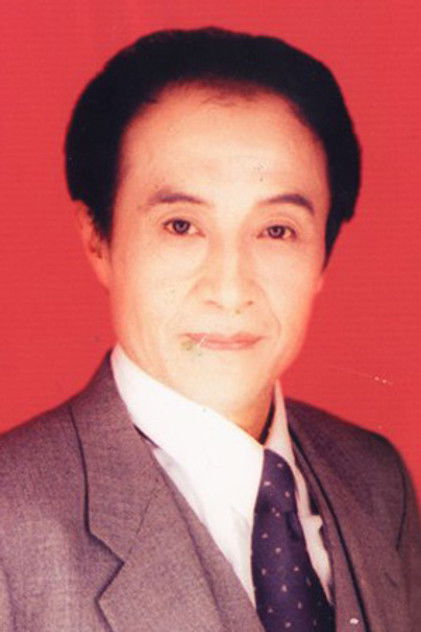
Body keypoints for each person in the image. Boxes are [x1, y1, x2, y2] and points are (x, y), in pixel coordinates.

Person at [0, 26, 419, 632]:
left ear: (323, 255)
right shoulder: (11, 523)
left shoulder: (378, 481)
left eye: (277, 231)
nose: (230, 288)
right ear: (98, 239)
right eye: (181, 226)